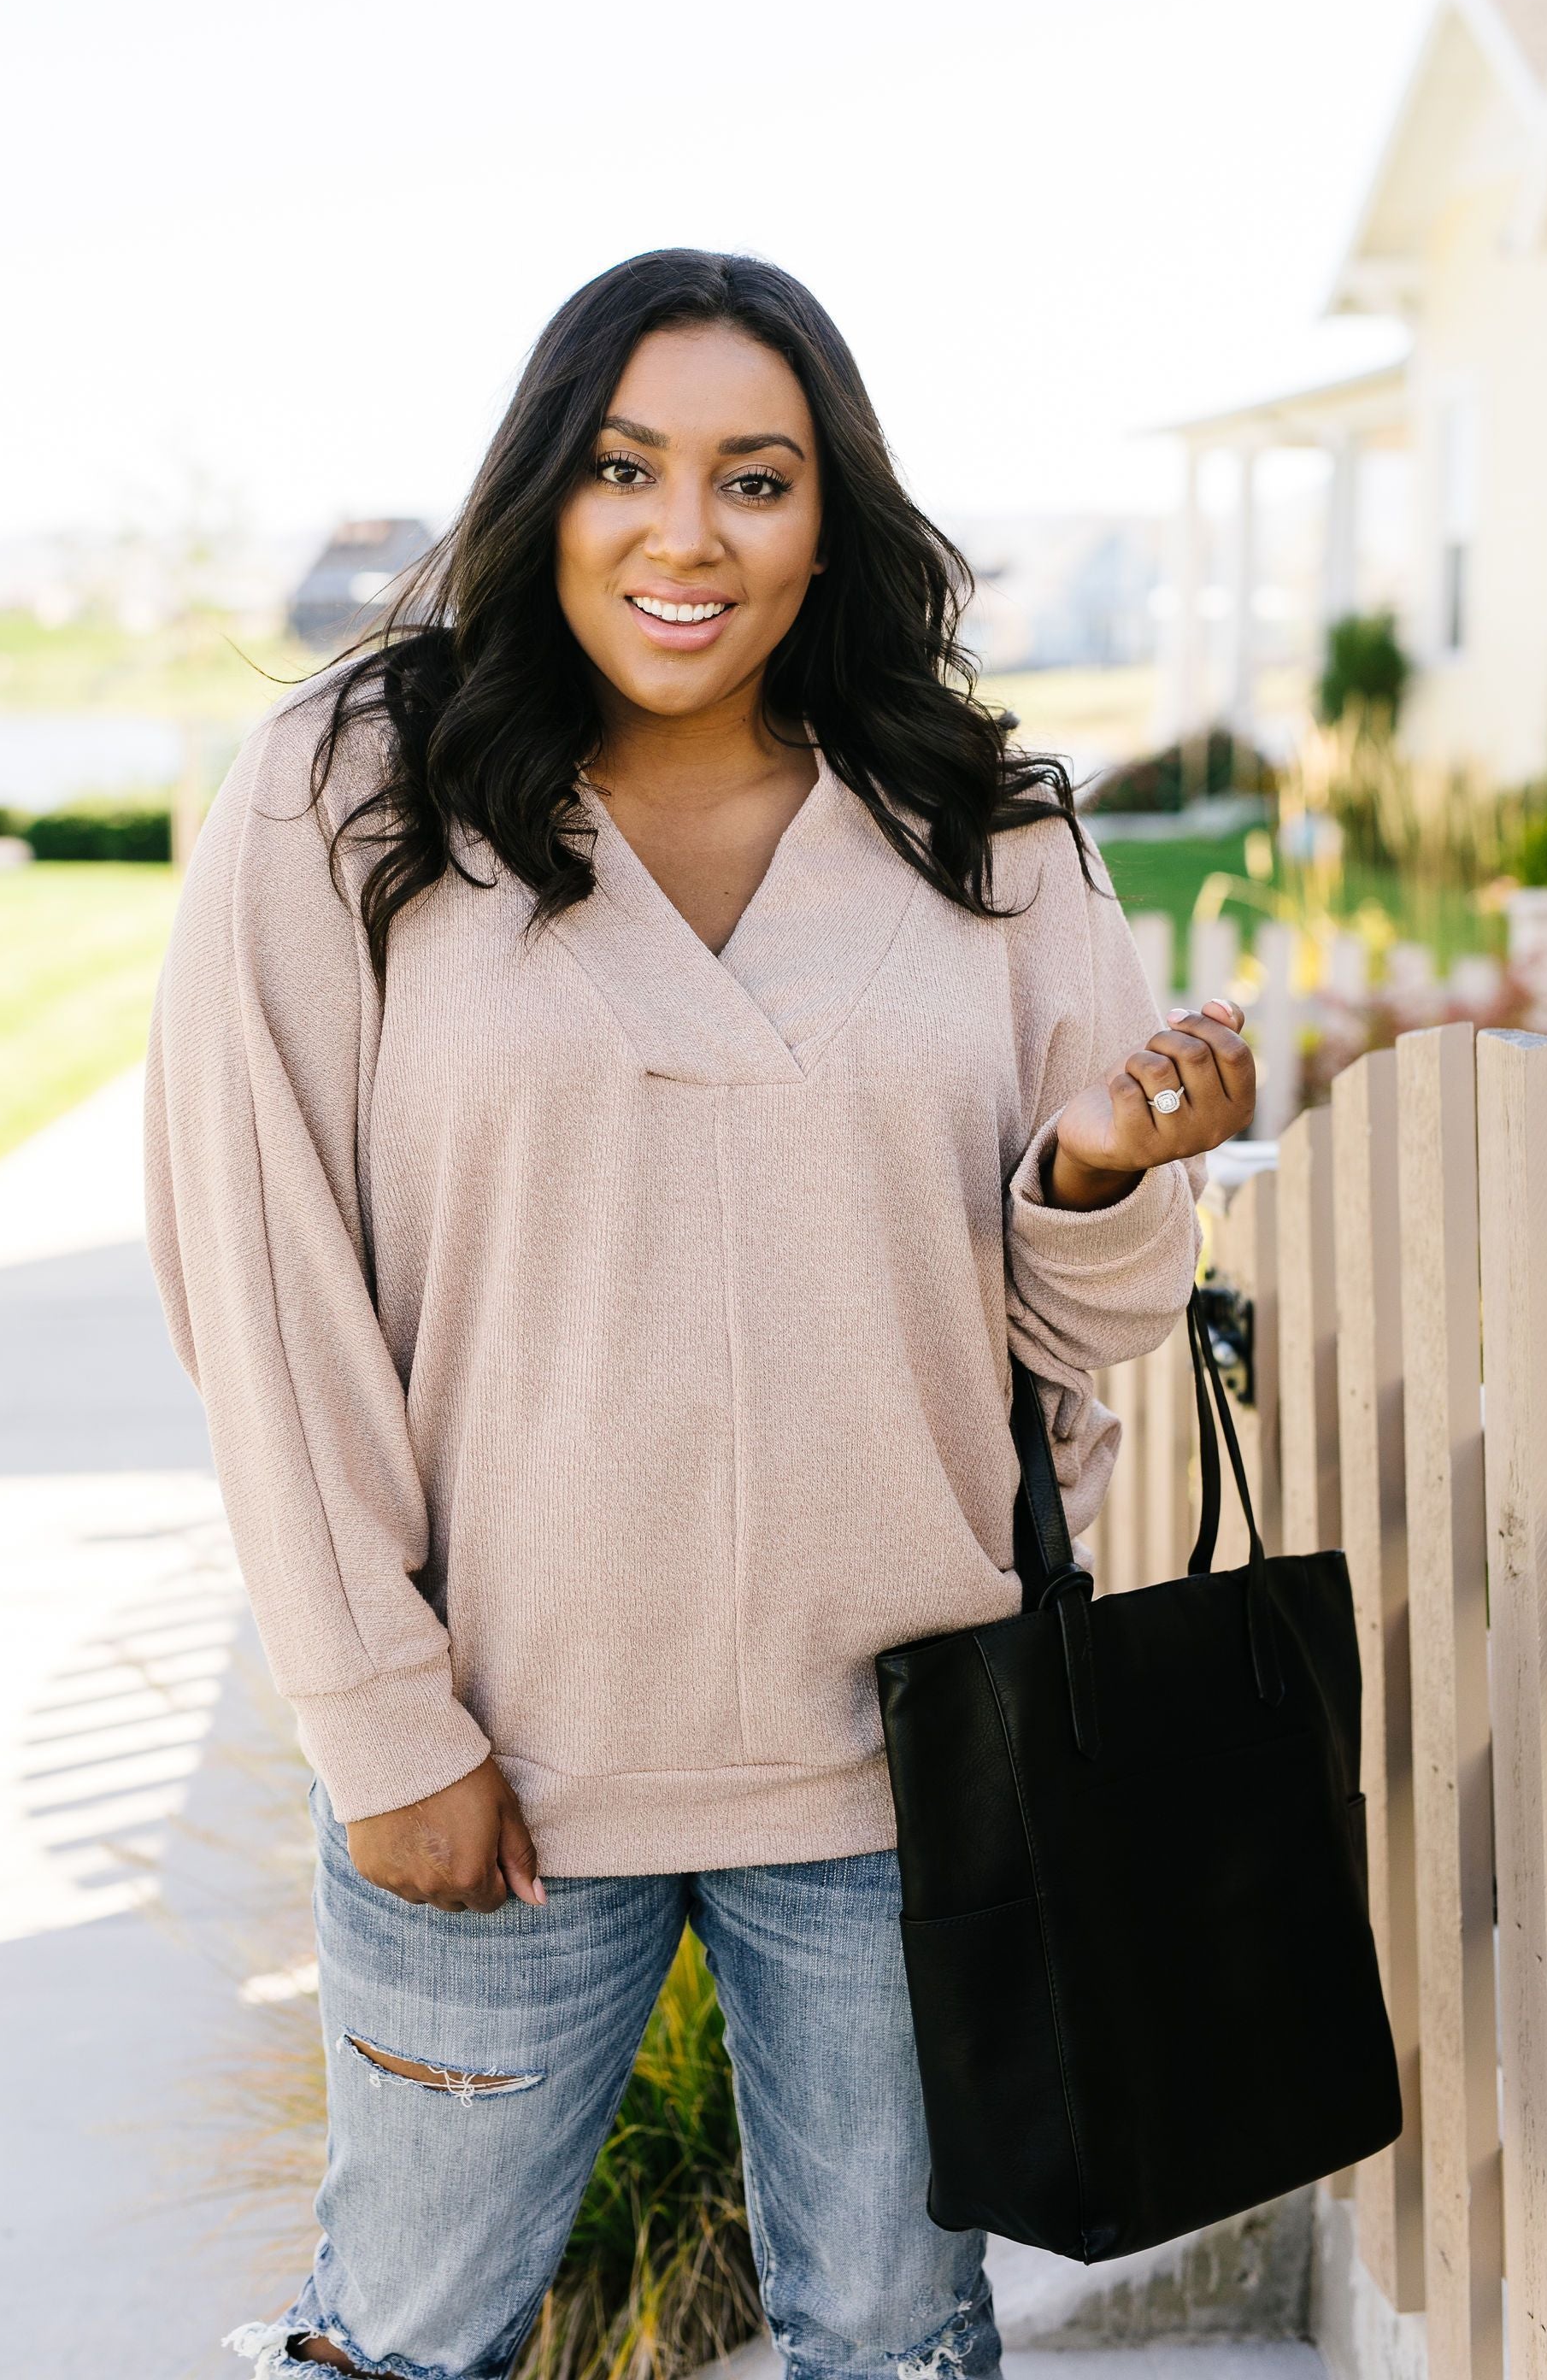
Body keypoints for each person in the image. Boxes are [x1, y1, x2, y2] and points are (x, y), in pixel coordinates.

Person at [146, 249, 1254, 2380]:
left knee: (893, 2335)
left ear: (827, 517)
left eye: (755, 479)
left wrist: (1104, 1175)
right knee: (408, 2333)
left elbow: (1084, 1329)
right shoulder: (352, 792)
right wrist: (381, 1718)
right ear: (541, 490)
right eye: (626, 468)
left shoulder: (987, 829)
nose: (685, 535)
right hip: (496, 1760)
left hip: (901, 1759)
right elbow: (259, 1273)